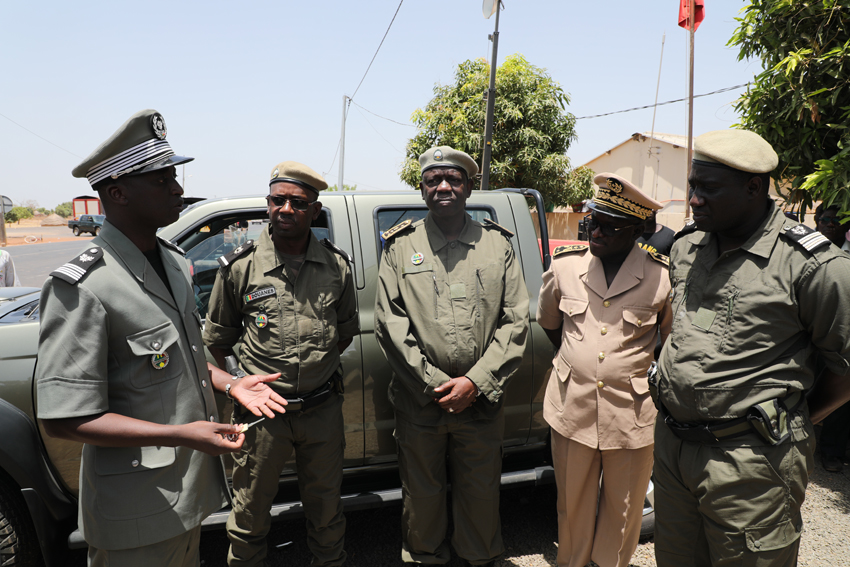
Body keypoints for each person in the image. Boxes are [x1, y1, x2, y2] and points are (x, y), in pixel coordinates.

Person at [35, 109, 286, 567]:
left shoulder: (170, 260)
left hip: (185, 498)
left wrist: (230, 384)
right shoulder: (83, 286)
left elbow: (181, 358)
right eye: (161, 179)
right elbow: (63, 419)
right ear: (117, 192)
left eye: (174, 175)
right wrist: (182, 435)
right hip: (134, 514)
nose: (177, 188)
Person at [653, 129, 850, 566]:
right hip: (673, 448)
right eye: (692, 186)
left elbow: (845, 366)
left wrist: (794, 417)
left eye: (708, 188)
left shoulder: (814, 266)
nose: (694, 199)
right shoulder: (687, 248)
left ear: (753, 188)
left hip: (751, 463)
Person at [374, 146, 530, 567]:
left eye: (453, 179)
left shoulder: (498, 245)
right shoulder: (400, 247)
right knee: (421, 501)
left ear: (468, 186)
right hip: (420, 403)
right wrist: (435, 384)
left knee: (480, 498)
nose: (443, 186)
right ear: (422, 189)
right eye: (433, 180)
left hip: (480, 403)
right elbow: (390, 325)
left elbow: (516, 321)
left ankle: (479, 560)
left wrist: (474, 383)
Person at [203, 161, 358, 567]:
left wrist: (312, 372)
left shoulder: (336, 266)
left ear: (315, 210)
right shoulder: (240, 267)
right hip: (261, 419)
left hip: (321, 411)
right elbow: (215, 343)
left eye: (298, 202)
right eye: (277, 200)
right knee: (250, 515)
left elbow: (342, 333)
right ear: (268, 204)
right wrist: (239, 383)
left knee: (327, 515)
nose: (286, 209)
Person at [537, 173, 673, 567]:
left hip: (631, 414)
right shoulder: (565, 267)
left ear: (639, 229)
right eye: (593, 221)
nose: (596, 231)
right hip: (571, 408)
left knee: (624, 509)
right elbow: (550, 324)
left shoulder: (661, 277)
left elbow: (669, 341)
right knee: (572, 504)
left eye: (610, 226)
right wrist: (577, 362)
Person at [813, 203, 850, 472]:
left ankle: (831, 451)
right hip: (809, 333)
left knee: (838, 394)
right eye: (824, 219)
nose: (828, 224)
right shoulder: (805, 250)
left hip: (839, 335)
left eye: (835, 220)